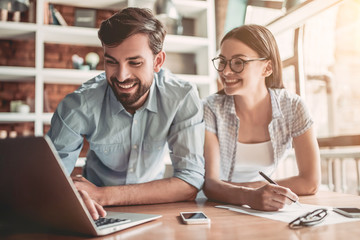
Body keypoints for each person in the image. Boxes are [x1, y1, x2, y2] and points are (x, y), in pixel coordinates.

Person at [47, 7, 205, 219]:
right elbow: (49, 181)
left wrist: (104, 195)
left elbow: (190, 182)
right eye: (111, 62)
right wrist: (72, 193)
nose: (121, 76)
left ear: (158, 61)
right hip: (95, 212)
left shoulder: (182, 96)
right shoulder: (79, 103)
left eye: (135, 62)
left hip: (154, 208)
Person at [203, 24, 321, 211]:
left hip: (262, 204)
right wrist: (250, 195)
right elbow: (210, 184)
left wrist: (255, 193)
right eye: (222, 61)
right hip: (216, 207)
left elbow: (310, 182)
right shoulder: (210, 108)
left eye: (238, 62)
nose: (225, 71)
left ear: (267, 68)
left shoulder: (293, 106)